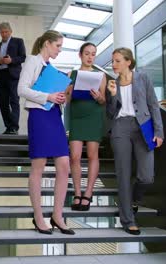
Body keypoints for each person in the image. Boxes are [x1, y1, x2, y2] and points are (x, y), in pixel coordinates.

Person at [18, 30, 74, 235]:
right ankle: (38, 216)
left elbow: (51, 95)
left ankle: (57, 215)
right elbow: (21, 89)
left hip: (53, 117)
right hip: (39, 117)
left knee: (64, 165)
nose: (60, 49)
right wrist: (48, 96)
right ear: (47, 44)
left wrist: (60, 98)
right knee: (38, 167)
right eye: (58, 45)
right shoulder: (32, 61)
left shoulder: (50, 68)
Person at [106, 47, 164, 235]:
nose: (113, 64)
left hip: (143, 127)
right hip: (120, 128)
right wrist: (113, 96)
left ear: (128, 62)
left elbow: (153, 104)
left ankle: (132, 199)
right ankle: (128, 220)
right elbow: (110, 113)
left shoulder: (143, 78)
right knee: (123, 175)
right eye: (113, 61)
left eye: (117, 61)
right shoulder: (112, 83)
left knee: (146, 176)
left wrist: (159, 131)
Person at [65, 42, 106, 212]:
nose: (90, 57)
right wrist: (70, 91)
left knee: (92, 155)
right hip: (76, 119)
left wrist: (98, 97)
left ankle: (88, 193)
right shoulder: (70, 74)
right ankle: (76, 192)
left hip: (93, 117)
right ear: (80, 55)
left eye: (93, 54)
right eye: (87, 53)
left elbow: (104, 101)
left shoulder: (101, 76)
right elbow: (66, 100)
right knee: (74, 157)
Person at [0, 22, 26, 135]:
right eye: (2, 32)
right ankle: (8, 127)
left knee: (14, 101)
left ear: (10, 31)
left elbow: (23, 57)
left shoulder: (18, 41)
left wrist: (11, 60)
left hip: (13, 75)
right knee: (3, 103)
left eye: (6, 32)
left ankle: (14, 127)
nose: (4, 34)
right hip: (2, 75)